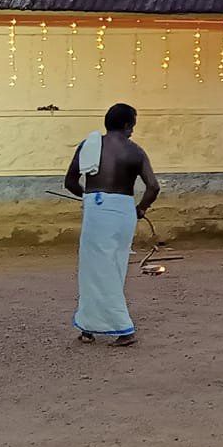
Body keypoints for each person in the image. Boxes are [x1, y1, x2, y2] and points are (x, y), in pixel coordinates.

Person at [65, 103, 160, 346]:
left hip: (97, 210)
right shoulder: (136, 151)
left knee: (93, 269)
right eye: (133, 126)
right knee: (114, 267)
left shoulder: (90, 146)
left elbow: (70, 182)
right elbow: (153, 187)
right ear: (127, 125)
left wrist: (90, 195)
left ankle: (121, 327)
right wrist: (141, 209)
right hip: (124, 212)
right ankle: (89, 326)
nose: (132, 132)